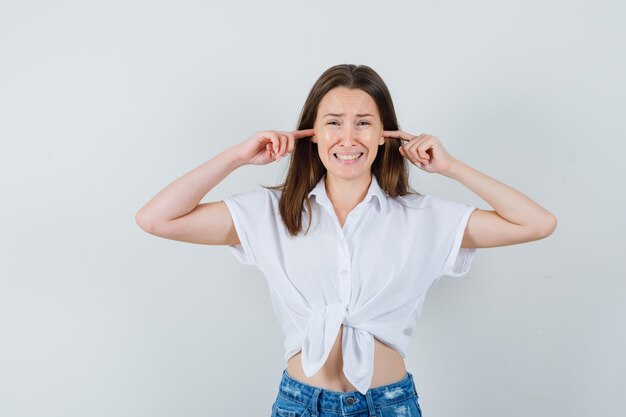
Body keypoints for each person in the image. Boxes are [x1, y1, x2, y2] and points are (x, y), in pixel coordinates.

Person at [135, 64, 557, 417]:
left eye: (364, 123)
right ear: (312, 133)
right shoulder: (270, 213)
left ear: (384, 135)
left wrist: (450, 168)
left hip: (387, 405)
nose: (348, 138)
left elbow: (537, 224)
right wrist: (236, 156)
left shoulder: (423, 218)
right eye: (333, 123)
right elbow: (156, 219)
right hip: (300, 404)